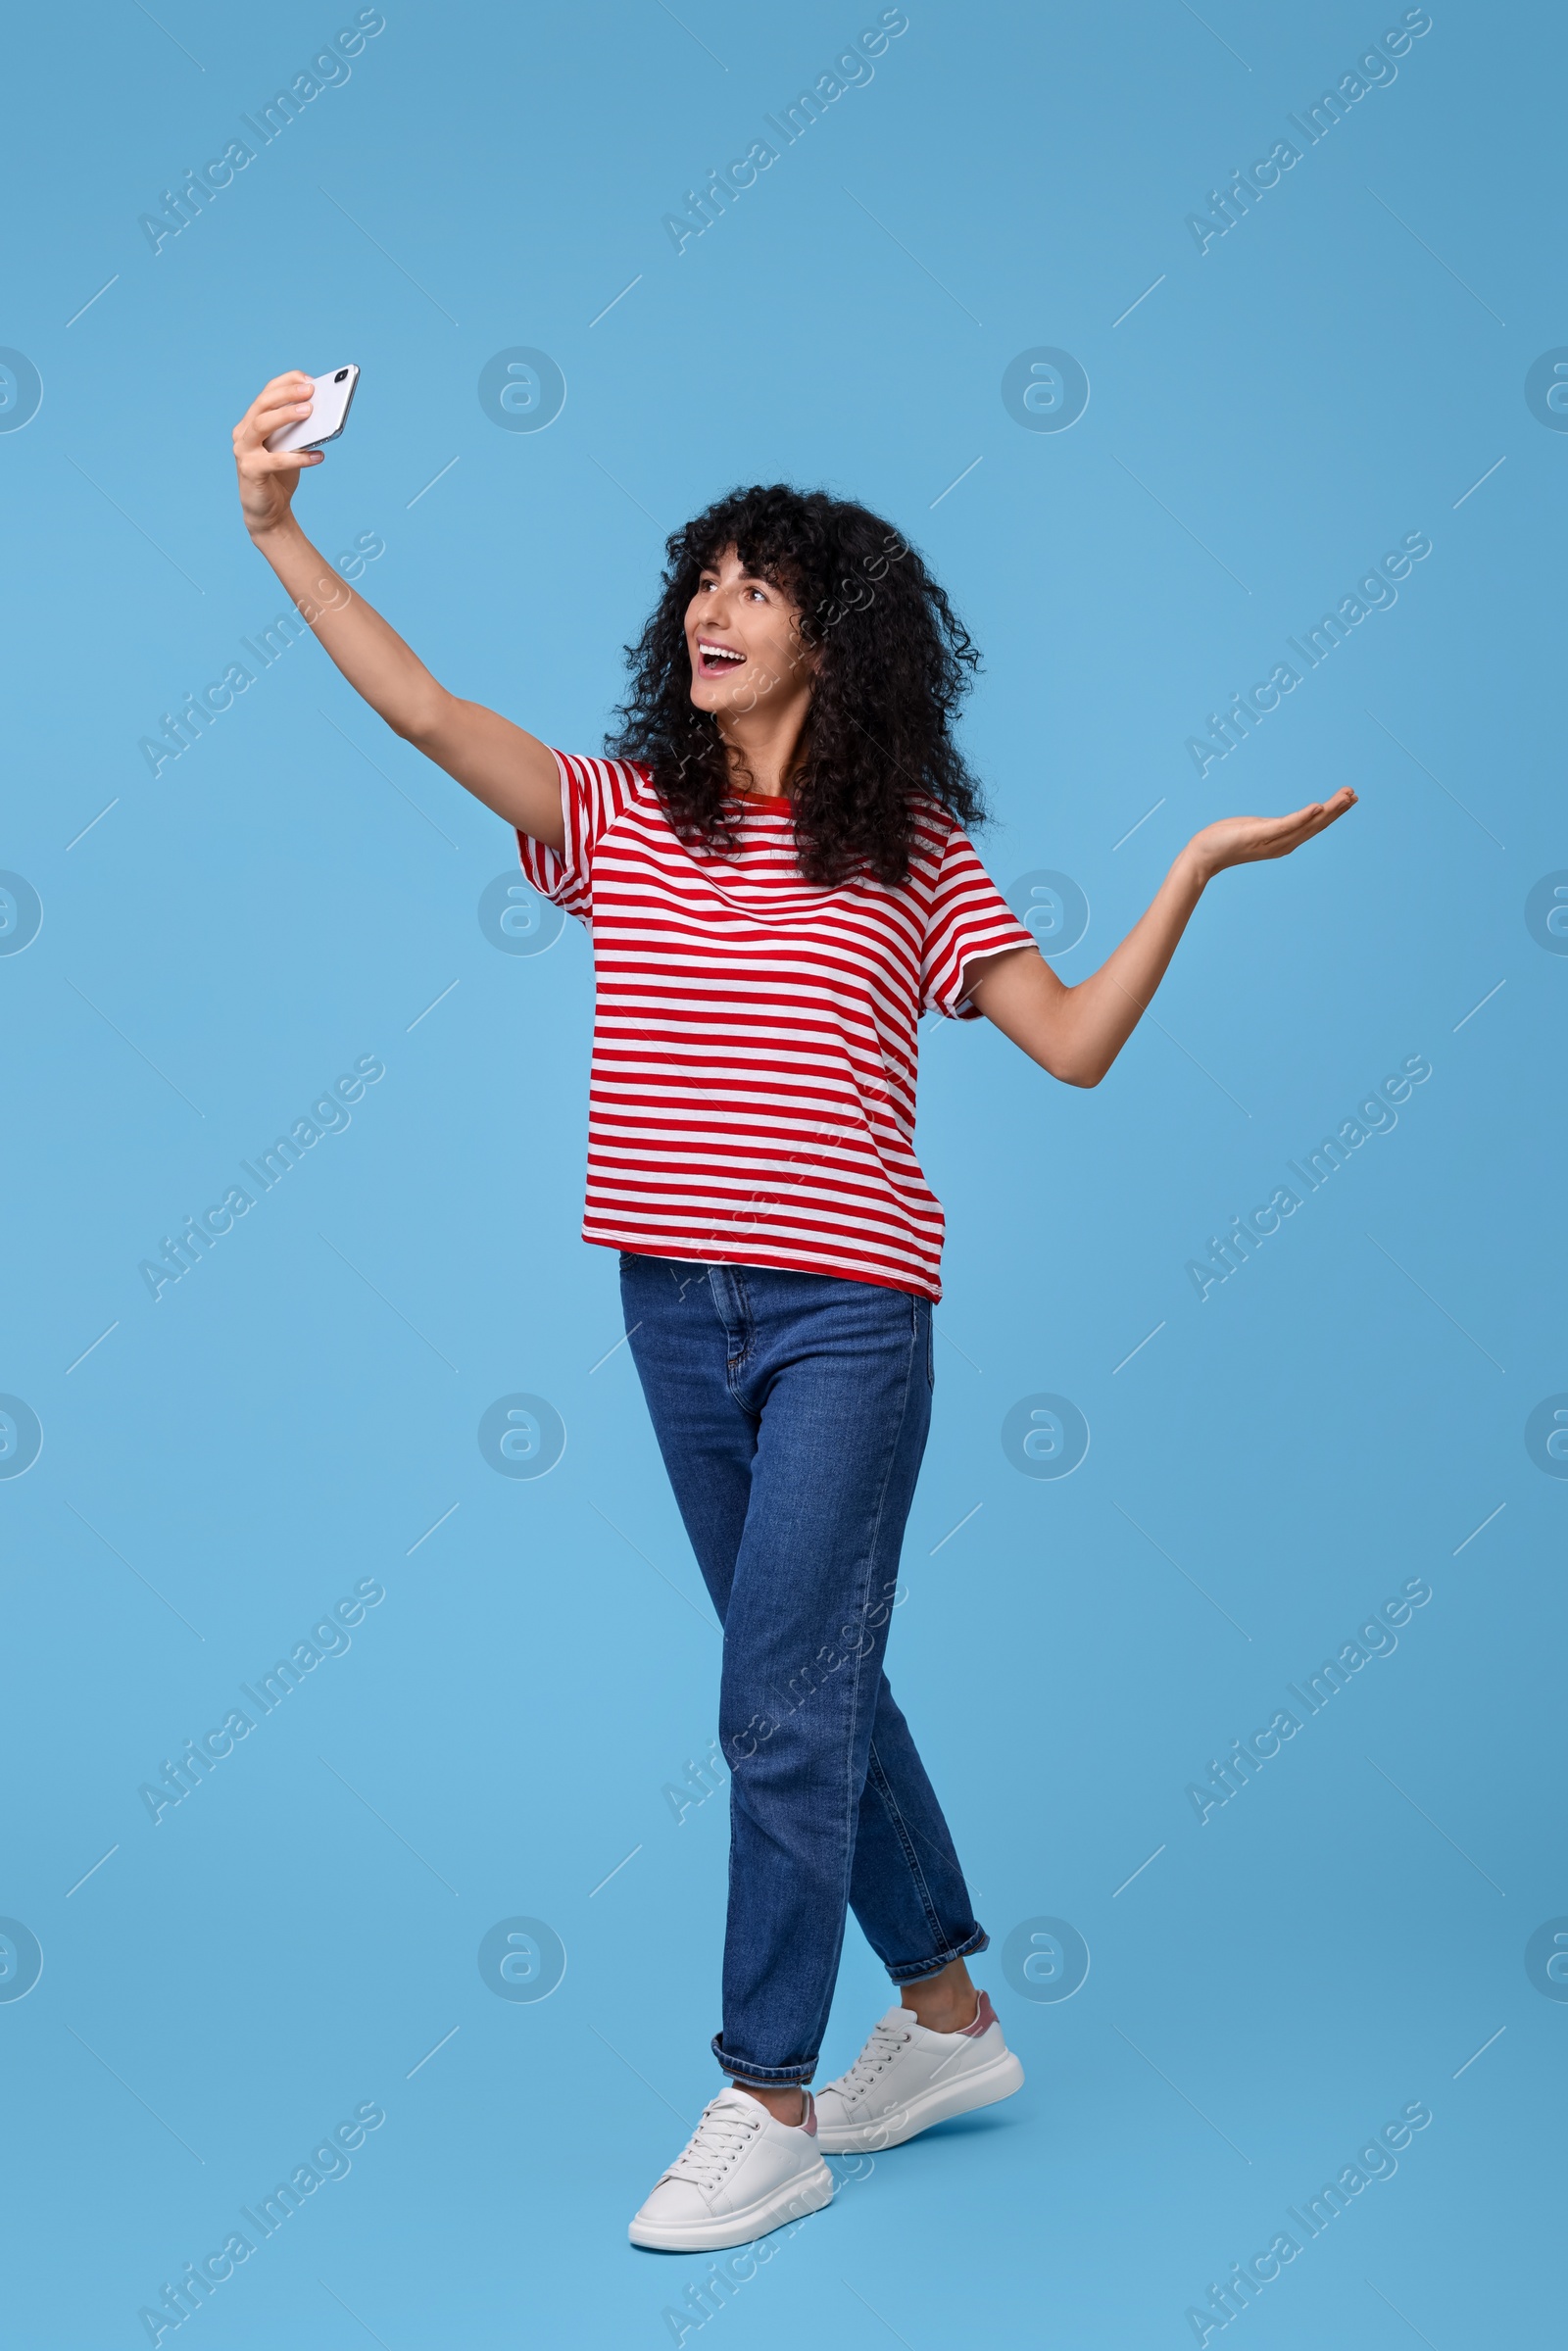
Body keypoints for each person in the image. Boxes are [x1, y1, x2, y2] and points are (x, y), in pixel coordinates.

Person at [232, 371, 1355, 2253]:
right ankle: (946, 2021)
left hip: (847, 1319)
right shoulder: (613, 821)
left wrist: (1188, 874)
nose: (711, 607)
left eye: (754, 584)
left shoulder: (911, 850)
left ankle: (765, 2098)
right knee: (811, 1678)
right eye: (700, 580)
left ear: (834, 633)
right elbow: (429, 712)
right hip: (673, 1310)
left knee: (776, 1694)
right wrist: (279, 529)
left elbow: (1068, 1044)